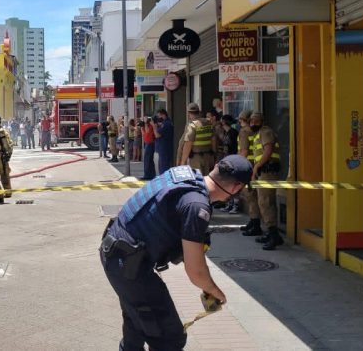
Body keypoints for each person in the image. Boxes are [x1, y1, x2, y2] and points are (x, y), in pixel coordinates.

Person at [100, 155, 253, 350]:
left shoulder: (183, 175)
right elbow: (196, 271)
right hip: (128, 266)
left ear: (216, 167)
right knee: (169, 339)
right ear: (236, 188)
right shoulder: (197, 206)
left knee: (137, 322)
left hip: (116, 253)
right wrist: (214, 291)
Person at [246, 111, 283, 250]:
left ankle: (274, 235)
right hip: (263, 172)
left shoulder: (266, 132)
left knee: (265, 202)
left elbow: (268, 150)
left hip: (268, 172)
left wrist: (257, 166)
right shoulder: (258, 134)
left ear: (262, 121)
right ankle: (271, 233)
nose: (253, 123)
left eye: (256, 121)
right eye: (251, 121)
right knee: (265, 203)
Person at [177, 103, 216, 177]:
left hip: (196, 159)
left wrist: (183, 162)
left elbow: (188, 144)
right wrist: (214, 156)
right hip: (208, 157)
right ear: (198, 112)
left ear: (189, 113)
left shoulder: (192, 125)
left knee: (197, 180)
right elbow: (213, 140)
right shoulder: (209, 123)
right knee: (207, 179)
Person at [219, 115, 240, 214]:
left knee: (233, 183)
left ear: (224, 122)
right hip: (227, 160)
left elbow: (234, 147)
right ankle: (229, 203)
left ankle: (235, 205)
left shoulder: (233, 133)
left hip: (233, 160)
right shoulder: (227, 133)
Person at [154, 109, 174, 174]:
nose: (158, 118)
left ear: (163, 115)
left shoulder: (166, 124)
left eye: (159, 116)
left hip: (164, 149)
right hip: (164, 149)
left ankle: (164, 180)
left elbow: (157, 135)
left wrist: (154, 127)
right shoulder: (165, 123)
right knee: (162, 167)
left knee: (163, 168)